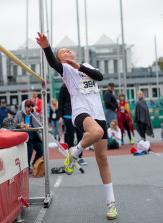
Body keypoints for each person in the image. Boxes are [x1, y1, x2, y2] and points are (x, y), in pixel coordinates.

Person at [36, 32, 117, 220]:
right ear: (61, 59)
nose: (67, 50)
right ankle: (75, 151)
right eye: (62, 51)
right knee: (95, 132)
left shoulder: (85, 66)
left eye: (68, 49)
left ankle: (111, 203)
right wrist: (47, 48)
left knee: (102, 159)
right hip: (81, 112)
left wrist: (79, 66)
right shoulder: (64, 69)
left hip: (98, 113)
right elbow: (52, 63)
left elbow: (100, 76)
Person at [58, 84, 87, 165]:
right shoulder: (64, 87)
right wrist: (60, 116)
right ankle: (71, 157)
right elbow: (60, 103)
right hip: (68, 115)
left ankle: (80, 157)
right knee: (70, 137)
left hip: (79, 114)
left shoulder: (79, 86)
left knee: (80, 136)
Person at [13, 99, 43, 173]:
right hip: (25, 138)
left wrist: (32, 127)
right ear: (24, 107)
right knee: (29, 148)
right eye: (28, 106)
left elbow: (38, 125)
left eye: (32, 106)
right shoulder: (19, 114)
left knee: (41, 149)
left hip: (34, 137)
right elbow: (13, 125)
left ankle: (34, 163)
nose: (30, 108)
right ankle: (27, 167)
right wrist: (19, 125)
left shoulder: (35, 114)